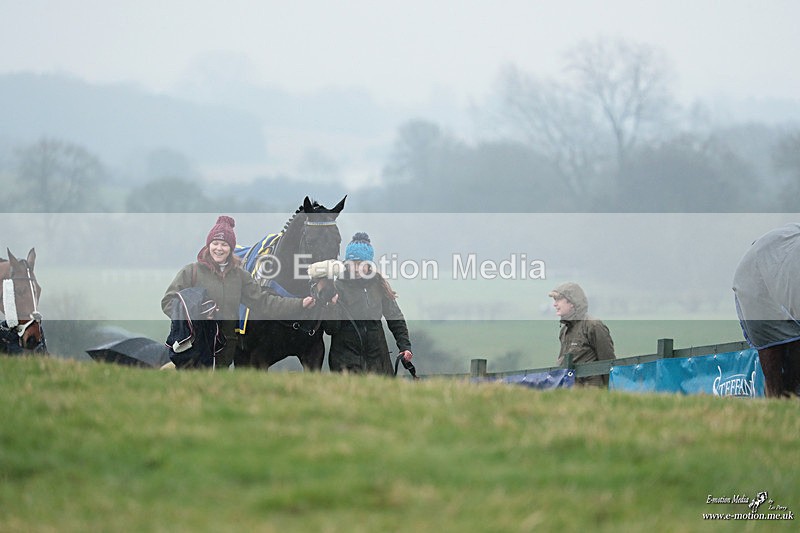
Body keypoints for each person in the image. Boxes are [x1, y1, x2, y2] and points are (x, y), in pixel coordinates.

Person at [161, 215, 316, 369]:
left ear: (231, 248)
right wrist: (196, 317)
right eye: (215, 243)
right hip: (195, 348)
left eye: (224, 244)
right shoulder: (191, 272)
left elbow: (264, 303)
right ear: (208, 245)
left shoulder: (240, 276)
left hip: (224, 350)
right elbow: (168, 302)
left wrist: (300, 303)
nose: (219, 249)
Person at [323, 232, 413, 375]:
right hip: (345, 359)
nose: (356, 268)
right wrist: (331, 306)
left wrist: (405, 346)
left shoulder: (379, 285)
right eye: (352, 263)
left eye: (361, 264)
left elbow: (395, 318)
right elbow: (330, 329)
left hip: (378, 357)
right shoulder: (337, 286)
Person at [548, 282, 615, 387]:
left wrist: (610, 391)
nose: (555, 304)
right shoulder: (564, 330)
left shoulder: (593, 326)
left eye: (558, 300)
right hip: (571, 392)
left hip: (592, 392)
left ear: (571, 302)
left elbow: (609, 362)